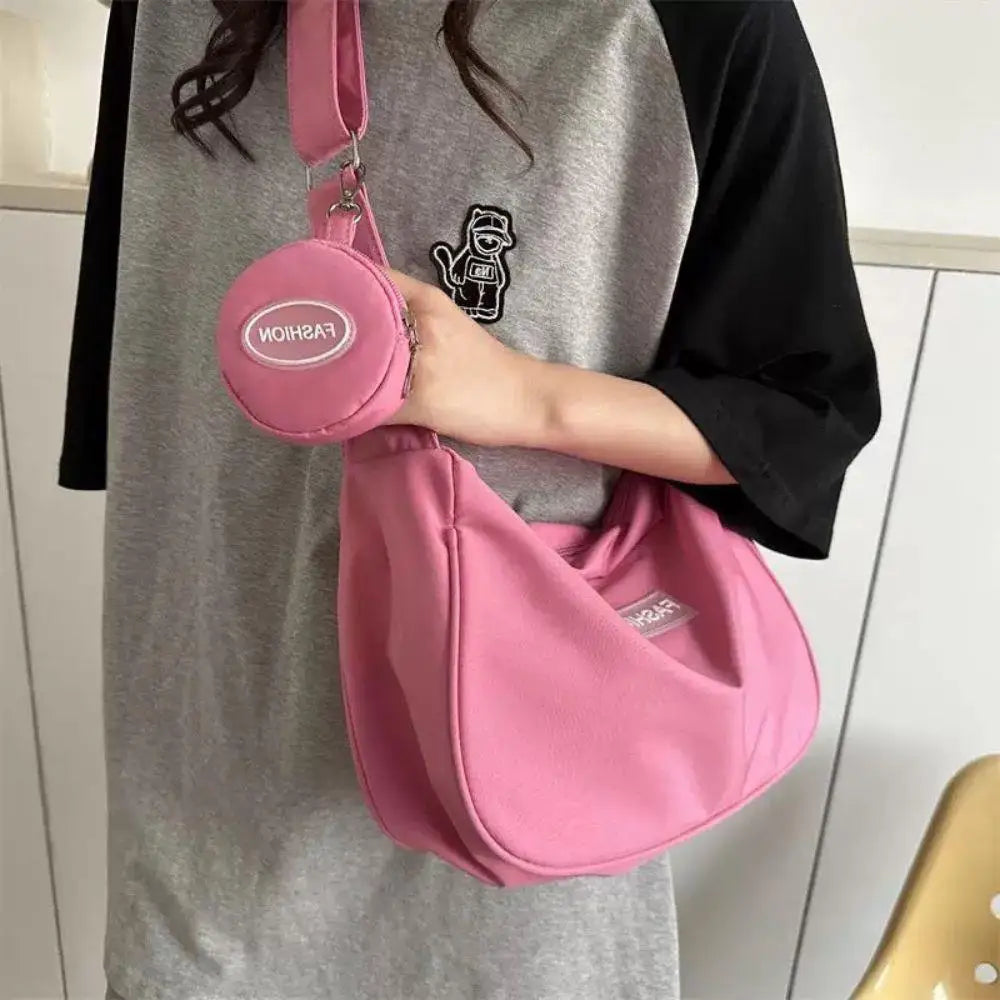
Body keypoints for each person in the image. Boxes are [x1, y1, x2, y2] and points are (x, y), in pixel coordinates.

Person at [61, 2, 880, 998]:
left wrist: (525, 397)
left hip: (518, 824)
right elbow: (140, 385)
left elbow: (802, 417)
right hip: (210, 807)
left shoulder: (687, 21)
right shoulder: (170, 14)